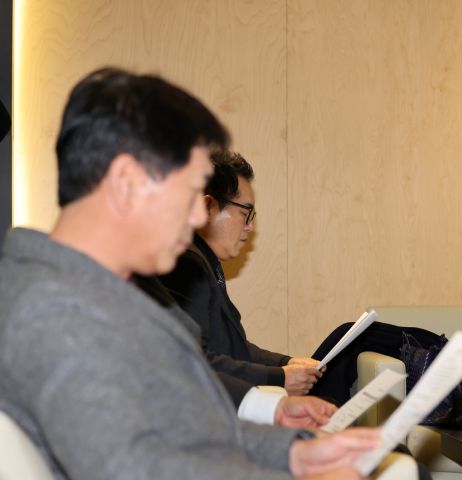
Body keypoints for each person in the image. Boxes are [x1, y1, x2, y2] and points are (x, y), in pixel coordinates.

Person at [0, 67, 380, 480]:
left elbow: (183, 424)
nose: (200, 215)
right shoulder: (51, 312)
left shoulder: (99, 289)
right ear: (126, 182)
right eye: (191, 191)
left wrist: (294, 455)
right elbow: (134, 468)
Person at [158, 149, 322, 403]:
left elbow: (233, 348)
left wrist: (286, 363)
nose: (250, 227)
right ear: (207, 207)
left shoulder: (205, 262)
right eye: (245, 213)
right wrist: (279, 377)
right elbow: (195, 361)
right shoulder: (187, 264)